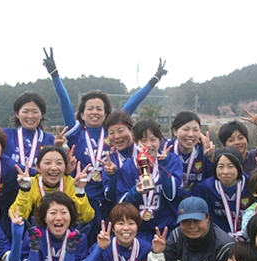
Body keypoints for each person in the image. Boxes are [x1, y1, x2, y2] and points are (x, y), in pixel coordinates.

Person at [44, 48, 167, 229]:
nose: (95, 112)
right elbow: (64, 100)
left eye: (99, 108)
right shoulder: (76, 131)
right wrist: (55, 75)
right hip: (82, 199)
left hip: (110, 199)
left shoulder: (112, 131)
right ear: (82, 114)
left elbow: (133, 102)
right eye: (90, 108)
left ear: (105, 113)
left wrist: (153, 80)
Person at [116, 119, 183, 241]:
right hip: (138, 229)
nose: (149, 145)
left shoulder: (171, 160)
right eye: (143, 140)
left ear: (160, 140)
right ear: (135, 141)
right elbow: (122, 203)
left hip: (166, 227)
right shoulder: (129, 167)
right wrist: (136, 192)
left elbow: (171, 194)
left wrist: (163, 166)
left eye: (153, 140)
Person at [0, 89, 55, 169]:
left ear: (42, 114)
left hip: (37, 184)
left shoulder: (50, 139)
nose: (30, 116)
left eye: (35, 112)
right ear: (17, 114)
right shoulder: (6, 135)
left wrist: (59, 146)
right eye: (25, 111)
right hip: (9, 184)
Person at [10, 146, 94, 224]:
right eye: (47, 163)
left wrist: (80, 191)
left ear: (65, 167)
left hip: (66, 232)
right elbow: (17, 216)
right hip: (37, 234)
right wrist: (24, 190)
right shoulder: (31, 183)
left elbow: (86, 218)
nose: (53, 168)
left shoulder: (72, 183)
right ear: (38, 167)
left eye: (59, 163)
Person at [194, 146, 252, 239]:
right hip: (217, 240)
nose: (225, 172)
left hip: (248, 239)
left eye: (230, 166)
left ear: (240, 168)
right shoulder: (205, 188)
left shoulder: (252, 184)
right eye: (221, 167)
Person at [167, 111, 214, 196]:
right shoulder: (166, 150)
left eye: (195, 130)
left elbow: (214, 181)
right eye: (186, 129)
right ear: (174, 131)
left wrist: (211, 158)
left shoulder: (205, 150)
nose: (191, 134)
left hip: (198, 202)